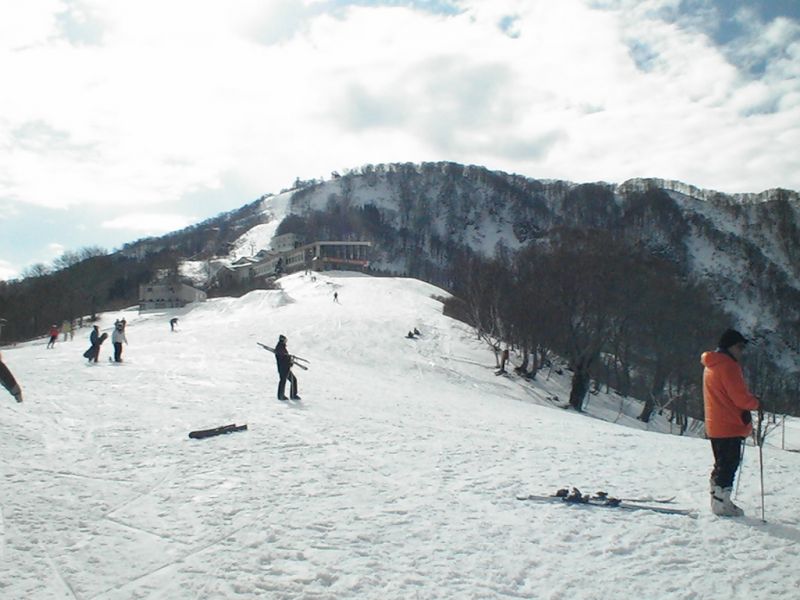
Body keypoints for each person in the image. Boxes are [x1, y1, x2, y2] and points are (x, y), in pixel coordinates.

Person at [701, 328, 760, 517]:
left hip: (715, 423)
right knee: (729, 464)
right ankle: (721, 503)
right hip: (730, 424)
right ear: (731, 346)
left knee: (721, 464)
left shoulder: (711, 365)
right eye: (740, 347)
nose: (741, 351)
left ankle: (718, 499)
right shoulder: (729, 366)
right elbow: (740, 398)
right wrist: (756, 403)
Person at [274, 334, 300, 400]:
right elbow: (283, 359)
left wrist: (290, 359)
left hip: (285, 368)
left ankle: (292, 395)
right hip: (283, 368)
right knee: (284, 380)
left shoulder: (281, 347)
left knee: (292, 380)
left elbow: (285, 357)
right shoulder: (280, 348)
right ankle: (282, 396)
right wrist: (289, 360)